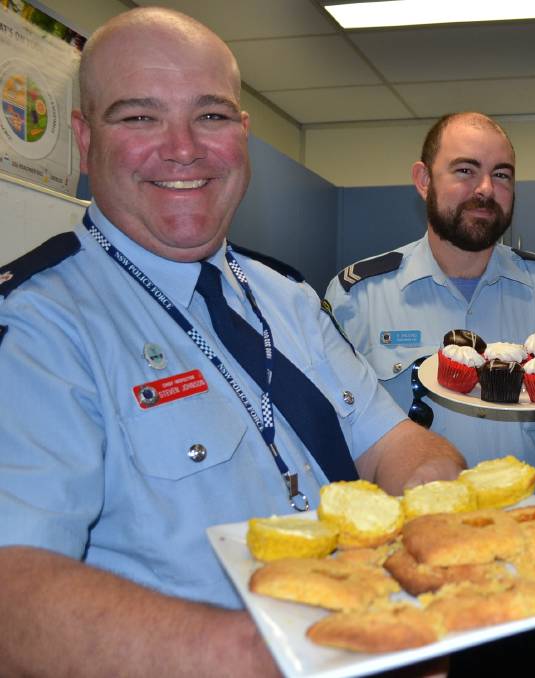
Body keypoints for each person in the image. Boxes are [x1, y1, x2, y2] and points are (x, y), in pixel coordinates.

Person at [0, 8, 464, 676]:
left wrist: (437, 511)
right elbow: (14, 590)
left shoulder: (287, 297)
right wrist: (270, 652)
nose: (183, 147)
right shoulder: (42, 325)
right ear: (83, 137)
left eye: (211, 115)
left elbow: (392, 444)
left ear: (241, 134)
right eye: (139, 117)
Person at [324, 111, 535, 509]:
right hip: (412, 533)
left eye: (502, 175)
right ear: (424, 180)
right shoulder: (359, 296)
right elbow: (324, 431)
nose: (485, 189)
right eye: (465, 170)